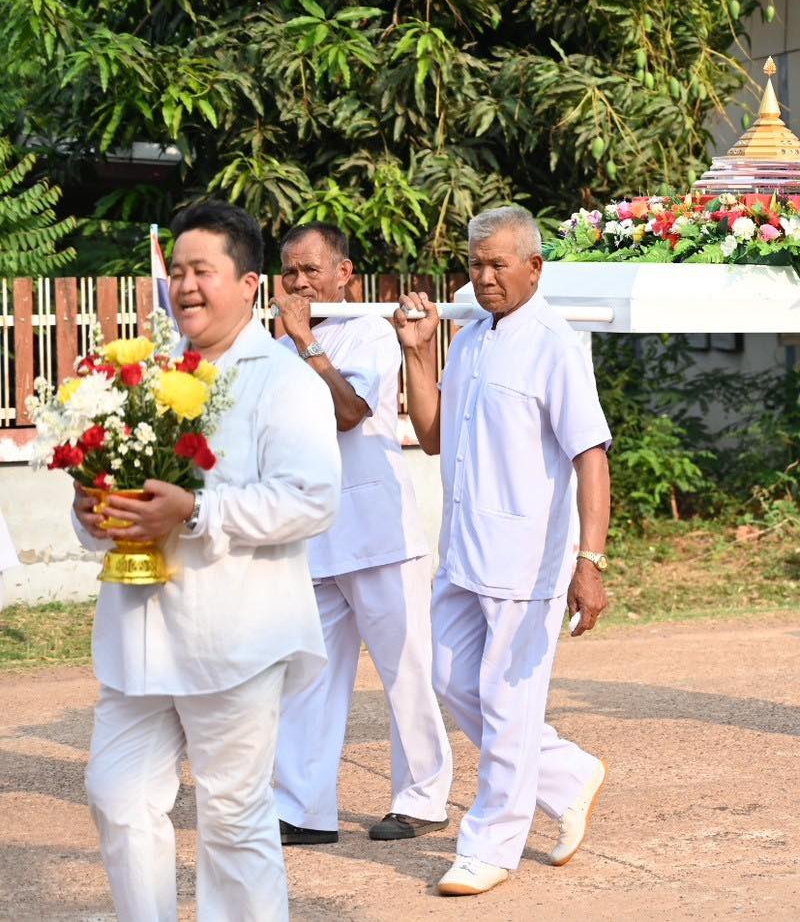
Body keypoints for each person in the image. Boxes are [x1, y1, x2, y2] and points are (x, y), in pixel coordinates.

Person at [72, 201, 339, 919]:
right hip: (139, 636)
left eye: (203, 271)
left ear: (249, 284)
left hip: (236, 638)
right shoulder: (144, 379)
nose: (186, 286)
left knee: (231, 817)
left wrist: (197, 511)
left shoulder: (285, 382)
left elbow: (311, 499)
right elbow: (109, 495)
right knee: (118, 796)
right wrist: (96, 510)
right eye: (178, 271)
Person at [394, 206, 611, 897]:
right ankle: (565, 774)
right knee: (453, 680)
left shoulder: (555, 342)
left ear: (534, 266)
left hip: (526, 555)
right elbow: (430, 435)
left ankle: (490, 842)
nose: (483, 277)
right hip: (462, 550)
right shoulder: (473, 336)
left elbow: (591, 455)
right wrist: (417, 350)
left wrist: (591, 560)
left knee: (508, 700)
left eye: (497, 264)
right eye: (474, 264)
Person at [272, 224, 454, 846]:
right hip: (313, 537)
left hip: (378, 534)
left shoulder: (371, 331)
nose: (299, 283)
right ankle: (303, 808)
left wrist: (303, 342)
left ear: (344, 273)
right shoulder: (277, 348)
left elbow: (350, 414)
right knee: (309, 679)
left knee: (408, 670)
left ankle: (423, 800)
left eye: (311, 270)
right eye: (289, 272)